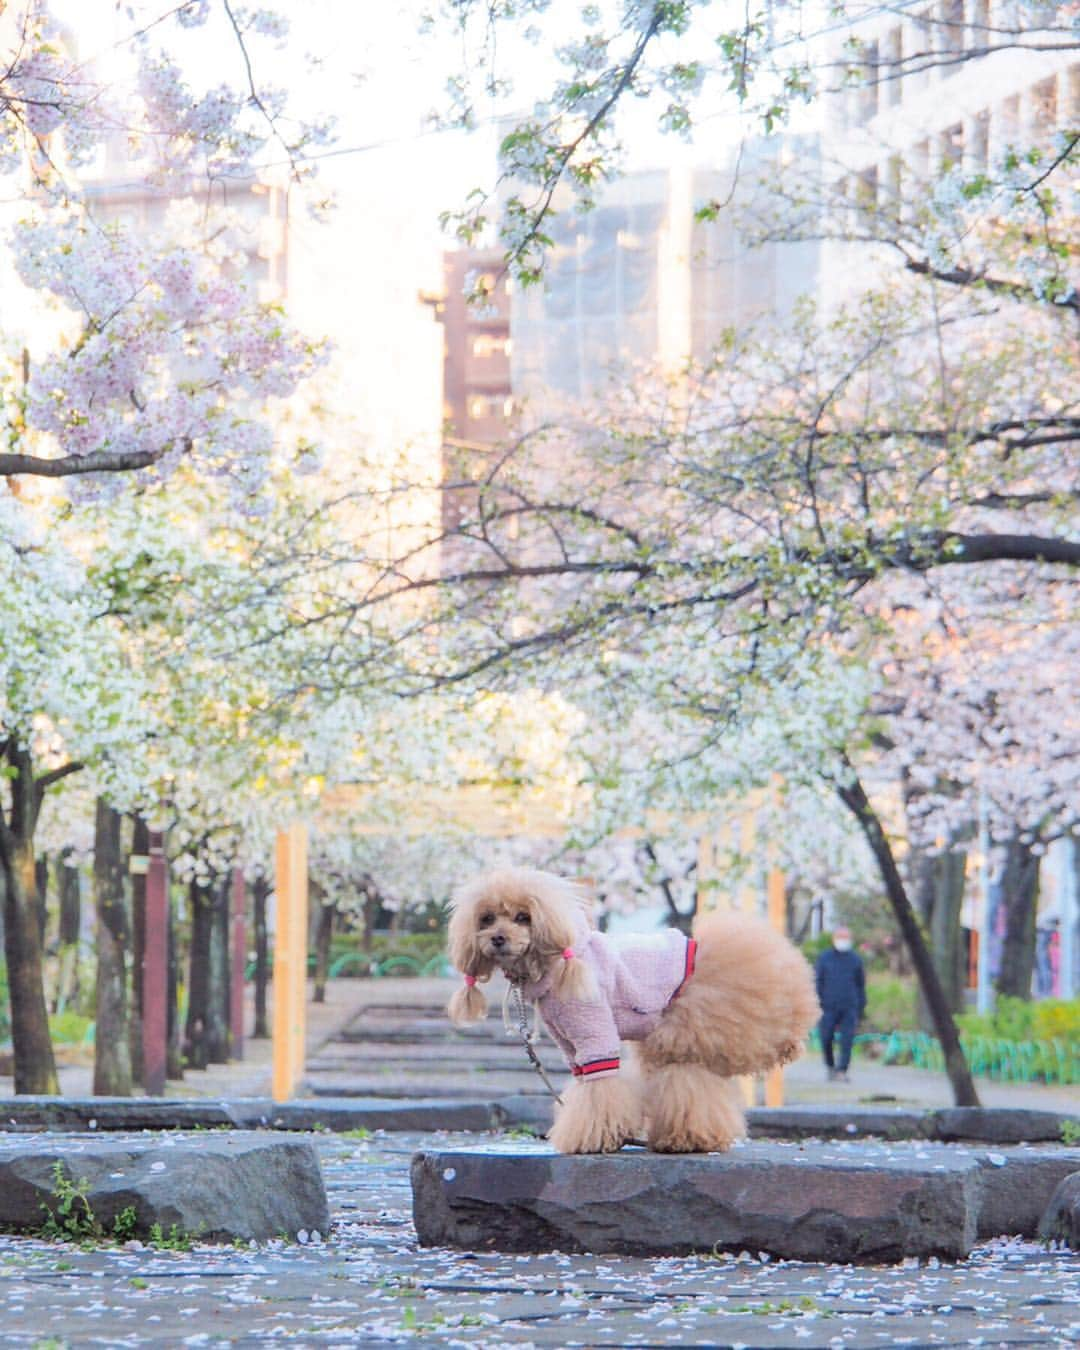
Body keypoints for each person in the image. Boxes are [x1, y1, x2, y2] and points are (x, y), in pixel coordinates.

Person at [815, 925, 866, 1082]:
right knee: (826, 1037)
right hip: (827, 1006)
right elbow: (818, 981)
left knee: (847, 1040)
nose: (843, 940)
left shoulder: (856, 960)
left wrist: (861, 1006)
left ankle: (842, 1070)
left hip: (849, 1006)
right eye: (840, 937)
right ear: (834, 939)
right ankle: (830, 1066)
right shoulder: (824, 958)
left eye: (846, 937)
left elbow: (860, 985)